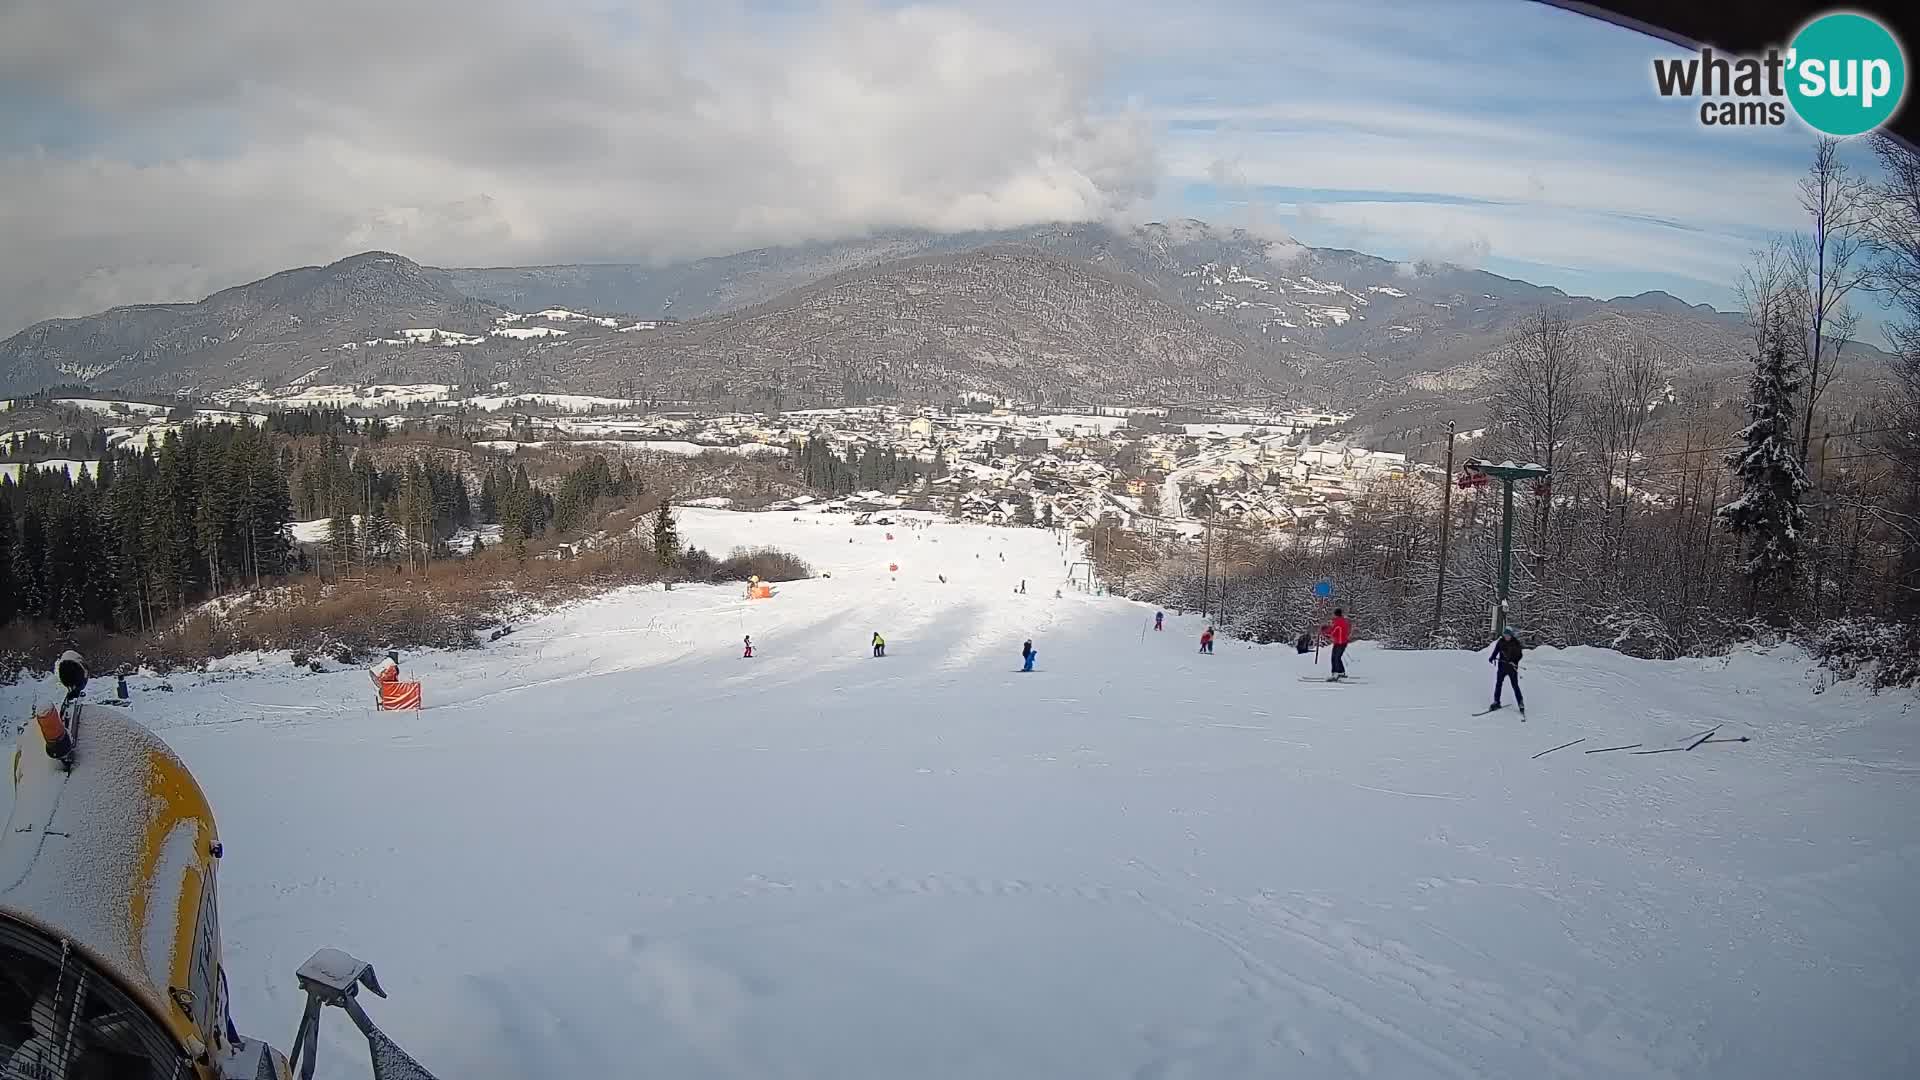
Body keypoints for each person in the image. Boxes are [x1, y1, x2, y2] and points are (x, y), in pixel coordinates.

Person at [1489, 628, 1525, 715]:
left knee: (1515, 686)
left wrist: (1514, 661)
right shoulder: (1501, 642)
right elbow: (1496, 650)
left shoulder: (1515, 643)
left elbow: (1520, 655)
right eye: (1505, 635)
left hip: (1512, 668)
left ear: (1511, 635)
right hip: (1502, 666)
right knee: (1498, 684)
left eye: (1508, 636)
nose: (1506, 637)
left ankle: (1520, 703)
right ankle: (1496, 702)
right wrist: (1492, 657)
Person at [1327, 609, 1352, 681]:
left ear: (1336, 614)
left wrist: (1324, 631)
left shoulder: (1338, 622)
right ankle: (1341, 672)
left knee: (1335, 658)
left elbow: (1332, 631)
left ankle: (1336, 673)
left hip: (1339, 643)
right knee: (1337, 657)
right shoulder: (1344, 621)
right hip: (1342, 642)